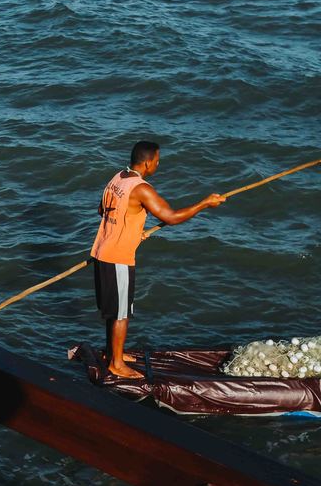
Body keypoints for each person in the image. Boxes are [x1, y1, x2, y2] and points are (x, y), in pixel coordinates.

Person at [90, 141, 225, 379]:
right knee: (121, 313)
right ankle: (116, 364)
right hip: (118, 257)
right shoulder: (141, 188)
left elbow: (103, 211)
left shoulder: (118, 178)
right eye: (157, 161)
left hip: (102, 251)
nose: (158, 164)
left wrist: (134, 231)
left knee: (115, 309)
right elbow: (171, 217)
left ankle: (113, 352)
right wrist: (205, 203)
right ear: (146, 163)